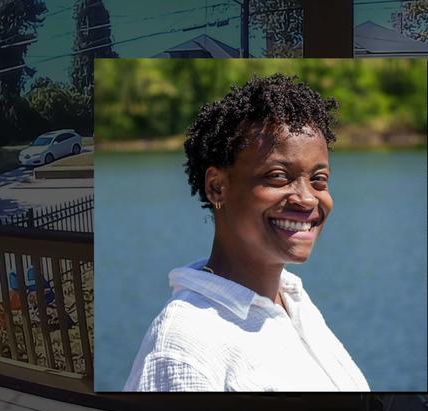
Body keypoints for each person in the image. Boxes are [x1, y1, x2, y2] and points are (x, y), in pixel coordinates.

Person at [124, 74, 370, 392]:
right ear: (217, 188)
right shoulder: (184, 346)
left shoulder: (292, 299)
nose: (307, 198)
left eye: (319, 180)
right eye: (278, 176)